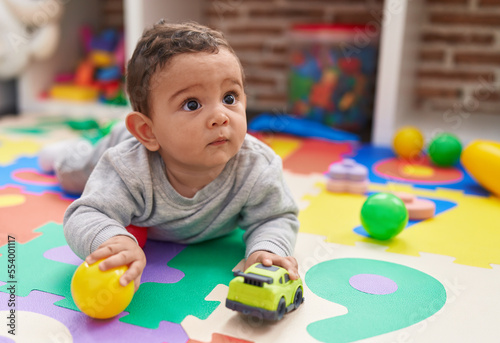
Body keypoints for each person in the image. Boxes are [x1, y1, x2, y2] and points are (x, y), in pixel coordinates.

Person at [57, 20, 300, 291]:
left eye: (230, 97)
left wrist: (266, 250)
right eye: (192, 104)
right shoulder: (127, 167)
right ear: (147, 130)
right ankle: (66, 151)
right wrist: (113, 239)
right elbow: (85, 213)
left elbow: (275, 217)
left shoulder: (257, 166)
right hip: (120, 143)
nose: (220, 116)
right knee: (72, 174)